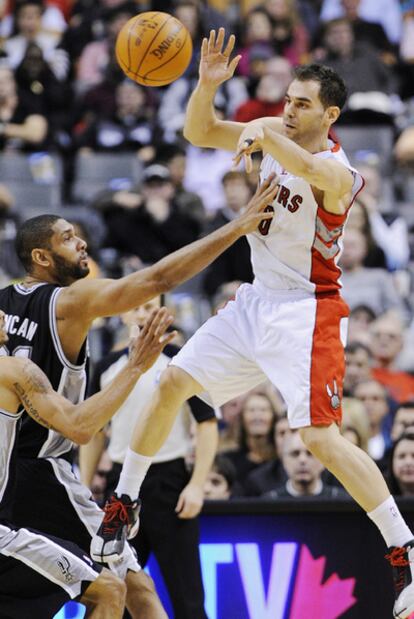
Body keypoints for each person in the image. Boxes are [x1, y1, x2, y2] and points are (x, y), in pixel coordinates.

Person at [92, 28, 414, 619]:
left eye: (301, 105)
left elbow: (309, 170)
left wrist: (265, 130)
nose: (287, 110)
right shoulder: (274, 137)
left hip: (308, 310)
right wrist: (206, 88)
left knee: (319, 437)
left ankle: (402, 548)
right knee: (169, 383)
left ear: (331, 115)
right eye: (285, 100)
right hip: (255, 301)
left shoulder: (341, 173)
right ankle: (125, 501)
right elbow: (198, 132)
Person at [0, 185, 275, 617]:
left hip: (10, 477)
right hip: (43, 470)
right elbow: (157, 281)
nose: (82, 242)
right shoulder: (68, 302)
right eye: (68, 238)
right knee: (131, 588)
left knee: (117, 589)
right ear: (42, 258)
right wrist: (238, 227)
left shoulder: (3, 306)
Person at [0, 306, 175, 618]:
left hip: (23, 487)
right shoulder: (11, 370)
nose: (3, 315)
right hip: (38, 477)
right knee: (111, 589)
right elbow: (81, 427)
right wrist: (134, 366)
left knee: (132, 587)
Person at [81, 295, 217, 619]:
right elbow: (94, 432)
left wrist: (197, 484)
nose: (142, 314)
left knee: (188, 597)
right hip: (119, 486)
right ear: (124, 312)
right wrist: (85, 488)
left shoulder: (182, 361)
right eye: (136, 306)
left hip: (170, 483)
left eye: (149, 307)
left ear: (163, 312)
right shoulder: (105, 367)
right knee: (115, 593)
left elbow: (208, 423)